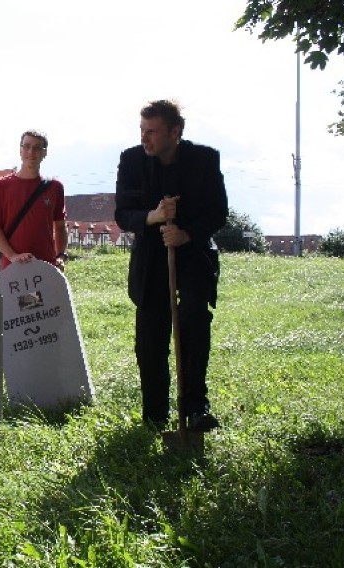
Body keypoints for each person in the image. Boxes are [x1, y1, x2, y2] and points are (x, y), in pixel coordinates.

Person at [114, 100, 228, 432]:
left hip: (193, 255)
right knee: (150, 336)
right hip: (151, 257)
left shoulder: (204, 160)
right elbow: (123, 214)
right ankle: (155, 416)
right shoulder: (131, 161)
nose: (145, 138)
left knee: (193, 320)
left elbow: (218, 212)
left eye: (152, 131)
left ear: (175, 132)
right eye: (142, 130)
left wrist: (186, 234)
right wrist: (155, 217)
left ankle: (194, 408)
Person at [0, 129, 69, 271]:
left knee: (47, 295)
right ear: (20, 150)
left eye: (37, 148)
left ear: (44, 153)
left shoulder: (55, 187)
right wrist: (12, 256)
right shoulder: (1, 186)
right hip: (13, 267)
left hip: (46, 265)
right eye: (26, 146)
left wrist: (61, 256)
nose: (31, 152)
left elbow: (60, 226)